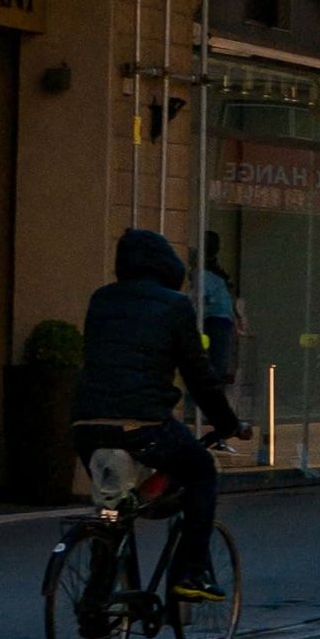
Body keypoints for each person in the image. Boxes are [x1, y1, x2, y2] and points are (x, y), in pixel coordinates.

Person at [70, 228, 247, 596]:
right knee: (200, 470)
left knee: (115, 510)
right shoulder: (174, 305)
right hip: (143, 425)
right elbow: (199, 377)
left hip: (87, 426)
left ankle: (98, 597)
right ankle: (191, 572)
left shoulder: (100, 299)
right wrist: (229, 423)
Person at [200, 230, 239, 385]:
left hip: (214, 318)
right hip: (219, 318)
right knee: (217, 362)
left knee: (214, 364)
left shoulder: (205, 272)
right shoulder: (217, 274)